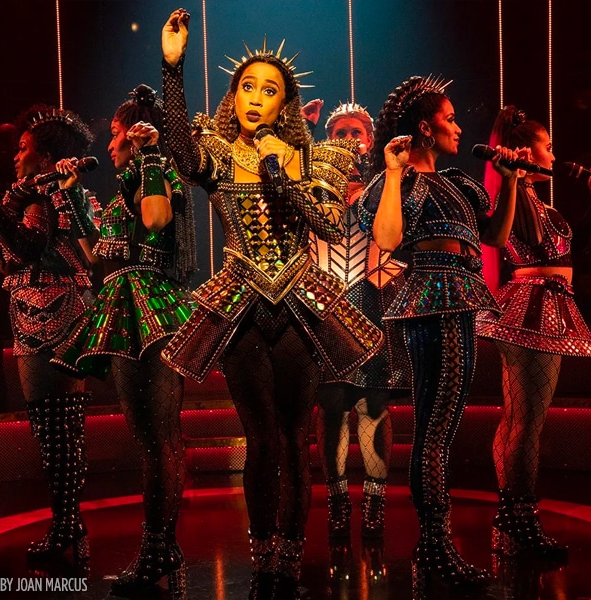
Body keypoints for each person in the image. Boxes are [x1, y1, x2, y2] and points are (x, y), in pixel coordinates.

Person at [159, 9, 383, 599]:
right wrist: (173, 71)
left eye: (269, 89)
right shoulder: (214, 150)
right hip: (240, 304)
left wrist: (283, 181)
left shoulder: (316, 158)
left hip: (301, 303)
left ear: (284, 102)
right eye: (246, 86)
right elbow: (182, 158)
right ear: (234, 95)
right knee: (259, 437)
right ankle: (263, 554)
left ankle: (290, 550)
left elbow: (331, 227)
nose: (255, 96)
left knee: (294, 438)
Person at [359, 75, 521, 595]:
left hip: (458, 293)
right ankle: (434, 543)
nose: (458, 126)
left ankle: (435, 543)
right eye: (449, 119)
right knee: (434, 427)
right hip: (432, 295)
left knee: (441, 425)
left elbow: (495, 236)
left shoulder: (459, 183)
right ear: (426, 128)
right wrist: (390, 170)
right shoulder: (397, 183)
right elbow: (385, 238)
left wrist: (511, 178)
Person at [51, 85, 196, 597]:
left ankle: (158, 547)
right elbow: (96, 259)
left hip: (150, 309)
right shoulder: (119, 193)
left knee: (159, 440)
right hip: (121, 304)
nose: (108, 147)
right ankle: (161, 545)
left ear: (135, 139)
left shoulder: (158, 176)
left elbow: (156, 221)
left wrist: (154, 155)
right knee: (149, 440)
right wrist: (69, 193)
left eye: (115, 136)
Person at [0, 104, 97, 567]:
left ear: (44, 159)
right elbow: (10, 258)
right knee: (54, 427)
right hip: (39, 313)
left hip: (53, 314)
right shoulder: (31, 197)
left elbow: (23, 249)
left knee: (57, 425)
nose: (15, 157)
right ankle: (67, 522)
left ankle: (67, 525)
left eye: (23, 149)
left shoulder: (45, 199)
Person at [477, 106, 591, 562]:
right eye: (548, 147)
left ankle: (510, 521)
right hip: (533, 305)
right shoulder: (514, 196)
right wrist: (512, 176)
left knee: (518, 419)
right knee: (526, 422)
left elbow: (578, 254)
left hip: (545, 302)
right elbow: (509, 238)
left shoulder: (541, 203)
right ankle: (520, 520)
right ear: (527, 152)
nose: (555, 155)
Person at [306, 101, 409, 546]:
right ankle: (335, 500)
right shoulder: (314, 188)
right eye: (341, 133)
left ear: (371, 141)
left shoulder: (387, 186)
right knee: (331, 410)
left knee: (373, 406)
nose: (349, 140)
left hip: (374, 304)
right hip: (324, 307)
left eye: (357, 133)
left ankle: (374, 499)